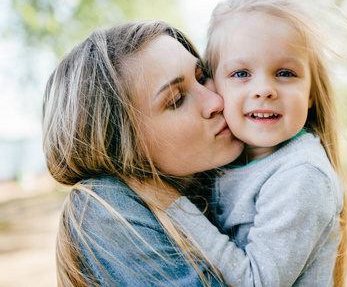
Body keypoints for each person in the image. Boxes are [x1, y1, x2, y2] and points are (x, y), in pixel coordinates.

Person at [166, 0, 347, 286]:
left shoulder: (302, 175)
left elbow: (256, 281)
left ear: (310, 93)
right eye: (241, 74)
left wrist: (173, 206)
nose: (264, 89)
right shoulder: (216, 159)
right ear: (213, 87)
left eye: (285, 72)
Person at [42, 20, 244, 286]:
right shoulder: (102, 204)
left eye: (202, 75)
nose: (216, 101)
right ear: (121, 145)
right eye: (176, 99)